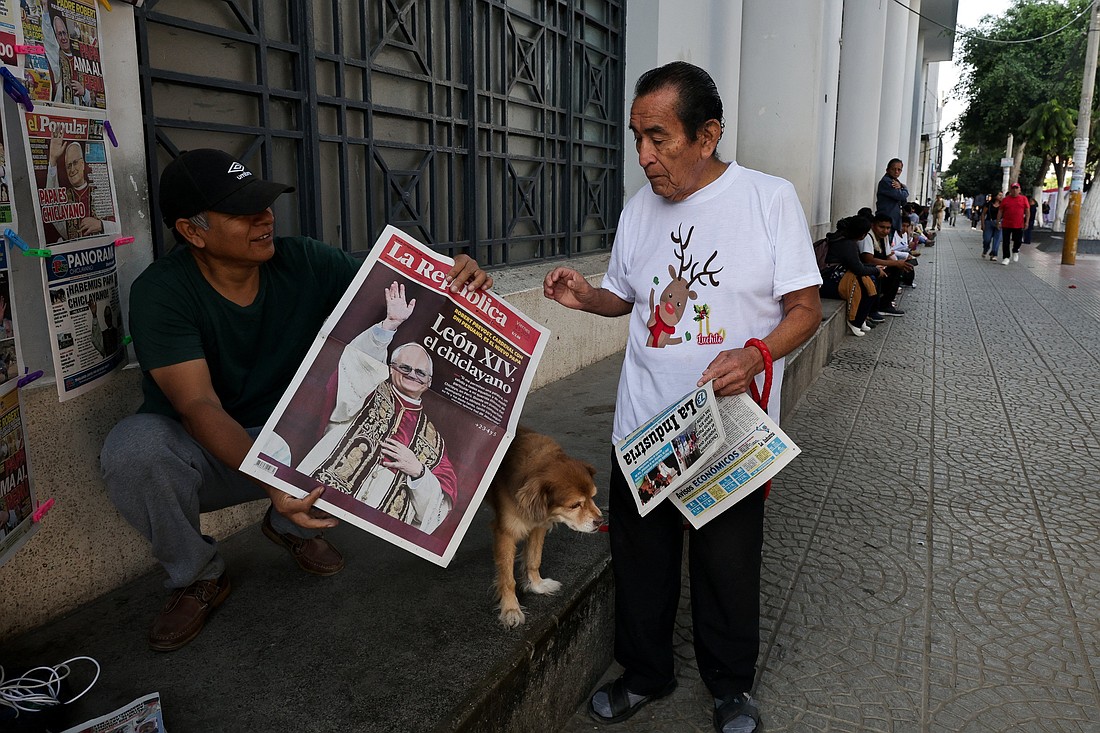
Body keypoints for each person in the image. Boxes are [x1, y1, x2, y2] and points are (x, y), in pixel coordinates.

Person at [99, 148, 492, 652]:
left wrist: (456, 275)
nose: (264, 218)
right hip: (218, 452)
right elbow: (197, 406)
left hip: (299, 439)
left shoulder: (304, 259)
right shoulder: (162, 292)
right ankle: (197, 574)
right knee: (133, 451)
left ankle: (291, 523)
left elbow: (397, 288)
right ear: (193, 231)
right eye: (242, 213)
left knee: (378, 425)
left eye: (263, 204)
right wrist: (270, 478)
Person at [544, 62, 821, 733]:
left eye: (659, 138)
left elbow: (806, 308)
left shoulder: (769, 198)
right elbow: (626, 297)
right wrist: (587, 297)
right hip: (644, 425)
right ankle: (646, 671)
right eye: (638, 137)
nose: (644, 155)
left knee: (727, 565)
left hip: (727, 428)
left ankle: (730, 686)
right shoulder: (639, 209)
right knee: (643, 560)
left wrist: (756, 354)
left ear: (707, 135)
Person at [286, 282, 458, 534]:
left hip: (379, 533)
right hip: (321, 498)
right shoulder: (368, 388)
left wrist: (419, 471)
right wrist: (389, 326)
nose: (412, 375)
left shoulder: (433, 438)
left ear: (428, 384)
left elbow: (439, 504)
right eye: (405, 368)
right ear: (390, 368)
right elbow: (357, 364)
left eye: (420, 373)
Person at [44, 131, 118, 241]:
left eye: (75, 163)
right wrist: (53, 160)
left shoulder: (100, 191)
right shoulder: (65, 196)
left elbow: (123, 227)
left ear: (82, 164)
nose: (72, 169)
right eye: (68, 166)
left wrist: (102, 225)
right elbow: (51, 205)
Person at [823, 216, 884, 336]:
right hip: (830, 281)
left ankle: (861, 319)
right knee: (866, 283)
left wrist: (874, 269)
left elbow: (856, 265)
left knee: (869, 280)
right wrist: (876, 270)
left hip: (834, 277)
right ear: (862, 234)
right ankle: (855, 321)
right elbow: (858, 268)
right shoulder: (847, 244)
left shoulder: (841, 239)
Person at [997, 183, 1029, 265]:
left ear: (1019, 189)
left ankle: (1015, 250)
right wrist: (998, 221)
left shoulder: (1023, 199)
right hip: (1006, 224)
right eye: (1013, 188)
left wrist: (1027, 222)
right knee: (1006, 241)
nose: (1015, 190)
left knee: (1018, 240)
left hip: (1018, 224)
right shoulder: (1005, 199)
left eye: (1016, 188)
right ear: (1010, 190)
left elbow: (1027, 210)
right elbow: (1000, 211)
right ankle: (1006, 257)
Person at [876, 158, 908, 234]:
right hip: (886, 219)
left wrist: (901, 187)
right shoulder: (886, 181)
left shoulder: (896, 182)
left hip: (893, 219)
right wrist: (905, 188)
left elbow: (903, 202)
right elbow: (901, 196)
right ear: (887, 170)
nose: (896, 172)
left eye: (899, 170)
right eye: (893, 169)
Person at [981, 191, 1003, 260]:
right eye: (999, 195)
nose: (1001, 197)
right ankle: (986, 249)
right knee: (987, 239)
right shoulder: (989, 204)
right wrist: (983, 224)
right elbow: (983, 214)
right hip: (989, 223)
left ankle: (994, 254)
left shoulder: (1003, 205)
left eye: (1002, 195)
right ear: (995, 196)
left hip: (999, 223)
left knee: (997, 240)